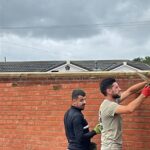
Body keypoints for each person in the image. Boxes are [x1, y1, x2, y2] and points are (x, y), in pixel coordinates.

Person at [99, 77, 150, 150]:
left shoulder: (112, 101)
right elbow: (129, 109)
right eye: (116, 87)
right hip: (111, 147)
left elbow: (130, 91)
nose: (119, 89)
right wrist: (144, 94)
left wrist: (146, 82)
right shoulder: (109, 106)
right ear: (109, 91)